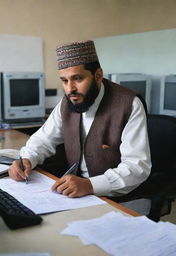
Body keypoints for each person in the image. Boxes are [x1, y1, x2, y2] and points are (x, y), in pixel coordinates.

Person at [8, 40, 151, 203]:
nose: (70, 89)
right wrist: (26, 159)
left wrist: (90, 185)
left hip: (121, 198)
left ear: (98, 75)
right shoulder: (68, 101)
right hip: (78, 195)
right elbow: (42, 140)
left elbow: (137, 167)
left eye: (77, 79)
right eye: (65, 80)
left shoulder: (129, 104)